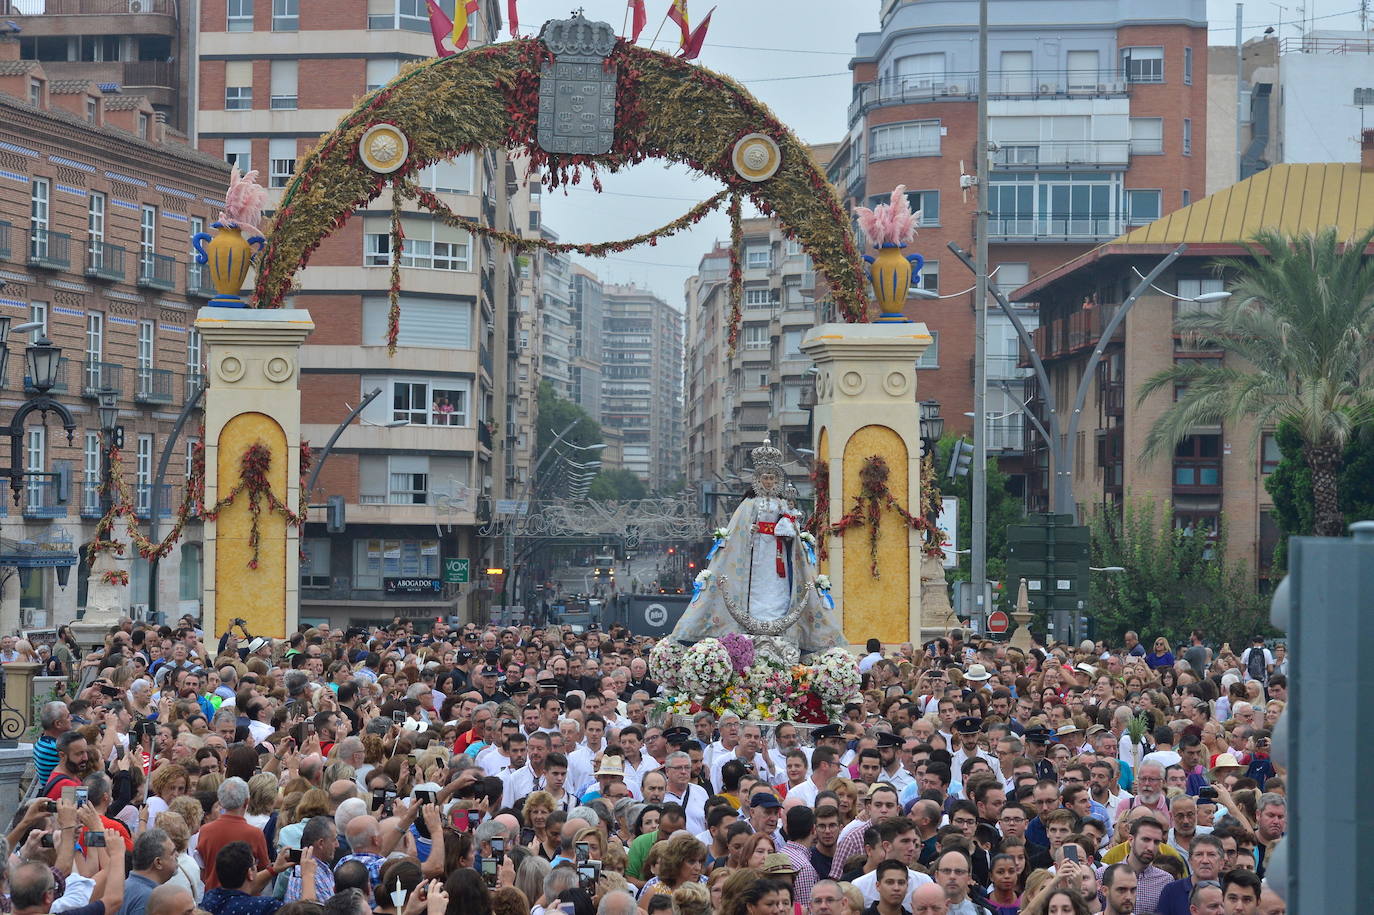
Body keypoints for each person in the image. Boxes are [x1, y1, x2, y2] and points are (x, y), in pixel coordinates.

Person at [118, 829, 178, 915]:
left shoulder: (124, 887)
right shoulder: (149, 899)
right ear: (158, 863)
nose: (177, 855)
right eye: (172, 853)